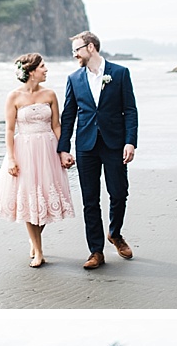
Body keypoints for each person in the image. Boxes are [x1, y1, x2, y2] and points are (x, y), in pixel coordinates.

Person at [57, 31, 139, 268]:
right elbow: (69, 115)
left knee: (119, 193)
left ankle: (115, 233)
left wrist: (130, 141)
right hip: (86, 146)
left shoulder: (120, 73)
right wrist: (64, 148)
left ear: (91, 47)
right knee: (90, 200)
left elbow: (130, 110)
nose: (75, 55)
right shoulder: (74, 78)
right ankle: (96, 251)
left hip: (114, 144)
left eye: (77, 50)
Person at [0, 52, 75, 266]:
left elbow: (56, 125)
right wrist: (11, 158)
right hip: (24, 150)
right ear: (31, 71)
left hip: (48, 151)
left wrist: (64, 150)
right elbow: (9, 130)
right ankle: (38, 251)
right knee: (29, 200)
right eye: (43, 66)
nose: (46, 70)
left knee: (45, 199)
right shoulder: (14, 97)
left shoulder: (50, 94)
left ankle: (33, 240)